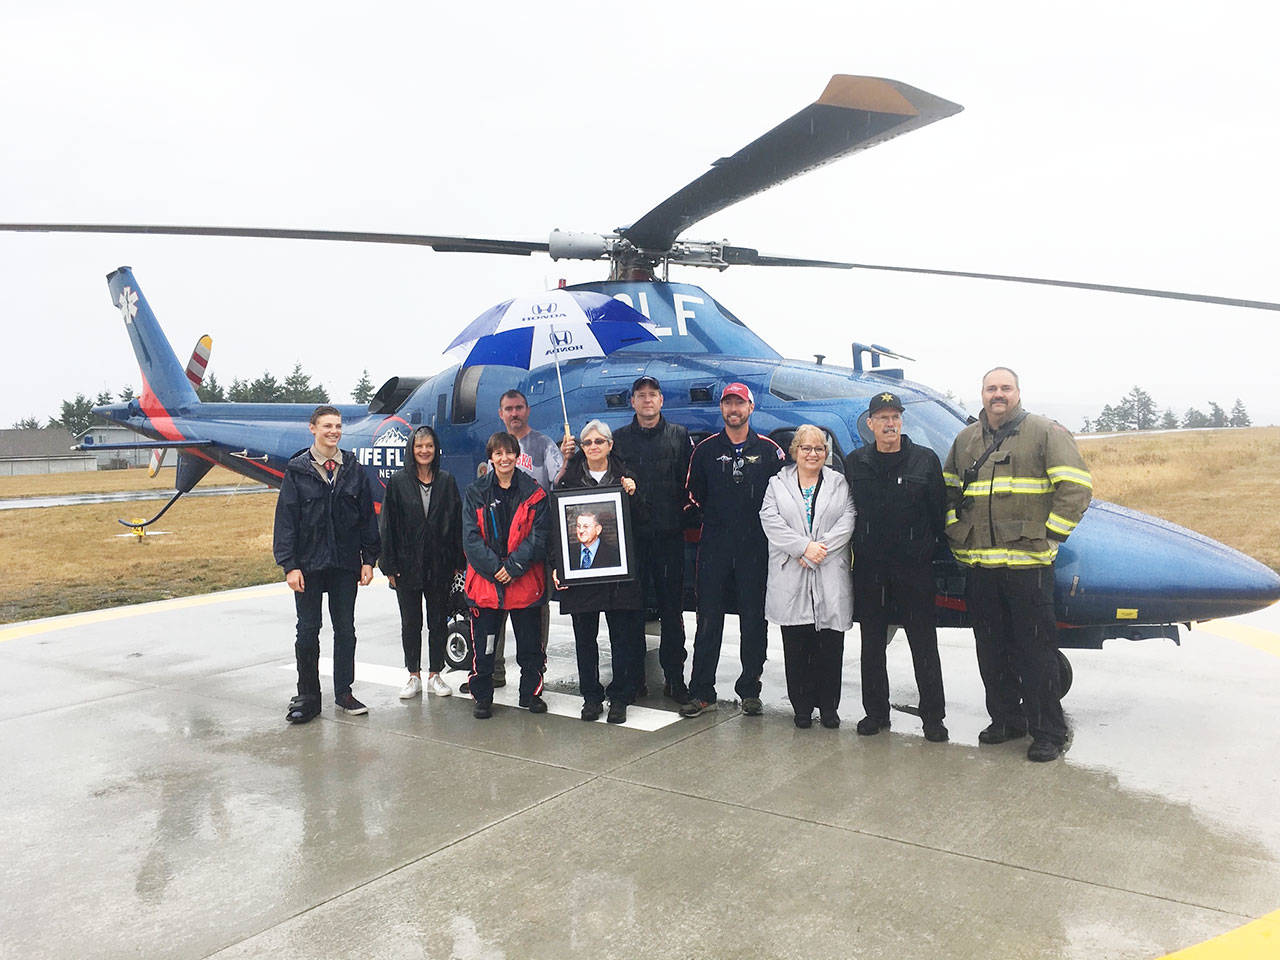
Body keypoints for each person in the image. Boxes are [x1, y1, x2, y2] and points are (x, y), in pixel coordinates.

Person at [943, 367, 1092, 762]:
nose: (998, 394)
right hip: (981, 568)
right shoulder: (965, 439)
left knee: (1036, 653)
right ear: (982, 393)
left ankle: (1048, 732)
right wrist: (958, 536)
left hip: (1028, 568)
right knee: (990, 651)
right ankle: (1006, 720)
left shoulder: (1045, 432)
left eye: (1005, 388)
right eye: (992, 388)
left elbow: (1076, 487)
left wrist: (1052, 537)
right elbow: (948, 491)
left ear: (1017, 393)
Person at [845, 392, 949, 741]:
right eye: (882, 418)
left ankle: (933, 718)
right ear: (870, 424)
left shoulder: (925, 461)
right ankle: (875, 713)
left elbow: (939, 515)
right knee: (872, 644)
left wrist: (928, 554)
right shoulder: (855, 462)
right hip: (870, 570)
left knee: (924, 645)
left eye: (895, 417)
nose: (890, 424)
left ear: (902, 422)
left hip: (914, 570)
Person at [680, 383, 786, 718]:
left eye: (739, 403)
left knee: (754, 621)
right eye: (728, 403)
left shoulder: (770, 451)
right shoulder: (706, 450)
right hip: (714, 547)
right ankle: (701, 691)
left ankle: (750, 690)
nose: (733, 409)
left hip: (756, 547)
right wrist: (714, 517)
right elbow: (692, 493)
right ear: (722, 409)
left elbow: (783, 496)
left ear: (751, 407)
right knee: (708, 619)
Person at [273, 404, 379, 723]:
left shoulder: (353, 470)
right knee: (308, 630)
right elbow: (286, 521)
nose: (333, 431)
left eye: (337, 426)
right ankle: (308, 696)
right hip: (309, 566)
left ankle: (343, 692)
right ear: (313, 429)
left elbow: (366, 519)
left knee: (345, 629)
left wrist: (369, 559)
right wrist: (290, 565)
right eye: (327, 426)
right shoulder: (298, 470)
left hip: (345, 564)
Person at [468, 389, 574, 692]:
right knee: (491, 627)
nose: (514, 413)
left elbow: (559, 482)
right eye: (508, 409)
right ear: (501, 413)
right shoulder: (497, 447)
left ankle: (533, 682)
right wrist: (494, 564)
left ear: (527, 410)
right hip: (496, 558)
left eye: (519, 408)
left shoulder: (544, 445)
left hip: (530, 555)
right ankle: (492, 675)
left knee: (532, 626)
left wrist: (566, 458)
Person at [759, 425, 855, 728]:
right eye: (806, 448)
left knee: (829, 644)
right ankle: (801, 707)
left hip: (827, 569)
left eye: (819, 449)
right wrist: (802, 547)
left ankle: (829, 708)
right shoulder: (776, 484)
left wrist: (818, 551)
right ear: (794, 452)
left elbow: (848, 518)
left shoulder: (840, 483)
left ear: (826, 453)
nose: (812, 454)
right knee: (797, 643)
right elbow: (769, 519)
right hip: (793, 569)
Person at [553, 420, 644, 723]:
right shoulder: (567, 481)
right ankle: (591, 696)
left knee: (622, 638)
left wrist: (634, 494)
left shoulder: (625, 478)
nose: (593, 447)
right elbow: (559, 527)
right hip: (583, 575)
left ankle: (619, 697)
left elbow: (641, 522)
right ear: (581, 448)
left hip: (618, 576)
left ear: (609, 444)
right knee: (585, 639)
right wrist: (559, 565)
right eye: (587, 443)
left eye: (599, 441)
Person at [612, 375, 695, 705]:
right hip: (631, 541)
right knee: (631, 611)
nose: (647, 400)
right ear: (632, 401)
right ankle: (634, 680)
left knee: (672, 610)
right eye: (641, 395)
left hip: (668, 539)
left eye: (653, 395)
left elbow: (689, 484)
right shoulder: (617, 440)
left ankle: (675, 678)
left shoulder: (679, 436)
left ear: (661, 401)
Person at [462, 431, 551, 719]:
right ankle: (483, 696)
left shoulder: (534, 492)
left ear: (517, 456)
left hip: (524, 581)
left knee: (530, 646)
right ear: (490, 458)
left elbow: (539, 535)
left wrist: (512, 567)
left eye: (509, 453)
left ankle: (531, 694)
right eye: (498, 453)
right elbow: (470, 538)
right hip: (487, 584)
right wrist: (494, 568)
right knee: (484, 648)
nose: (504, 458)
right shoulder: (475, 492)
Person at [378, 425, 464, 700]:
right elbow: (387, 525)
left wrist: (457, 561)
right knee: (410, 622)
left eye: (428, 446)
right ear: (411, 450)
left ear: (435, 449)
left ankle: (435, 674)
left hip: (440, 565)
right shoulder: (398, 482)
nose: (424, 451)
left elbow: (456, 522)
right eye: (419, 446)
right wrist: (388, 565)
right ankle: (413, 674)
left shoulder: (446, 481)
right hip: (406, 564)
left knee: (438, 621)